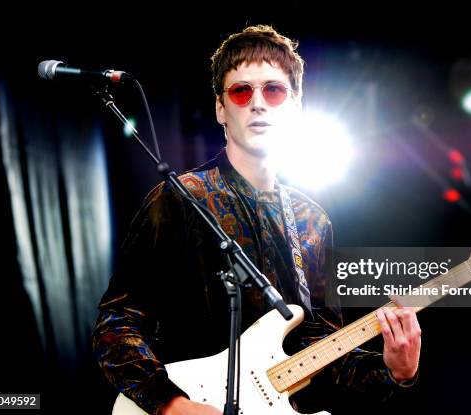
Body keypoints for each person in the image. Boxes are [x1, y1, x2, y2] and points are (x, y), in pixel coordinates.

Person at [92, 25, 421, 415]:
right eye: (241, 91)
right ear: (220, 109)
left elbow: (321, 353)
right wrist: (169, 403)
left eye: (274, 90)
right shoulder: (182, 198)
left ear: (294, 105)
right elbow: (117, 321)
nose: (258, 103)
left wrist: (393, 370)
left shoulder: (312, 222)